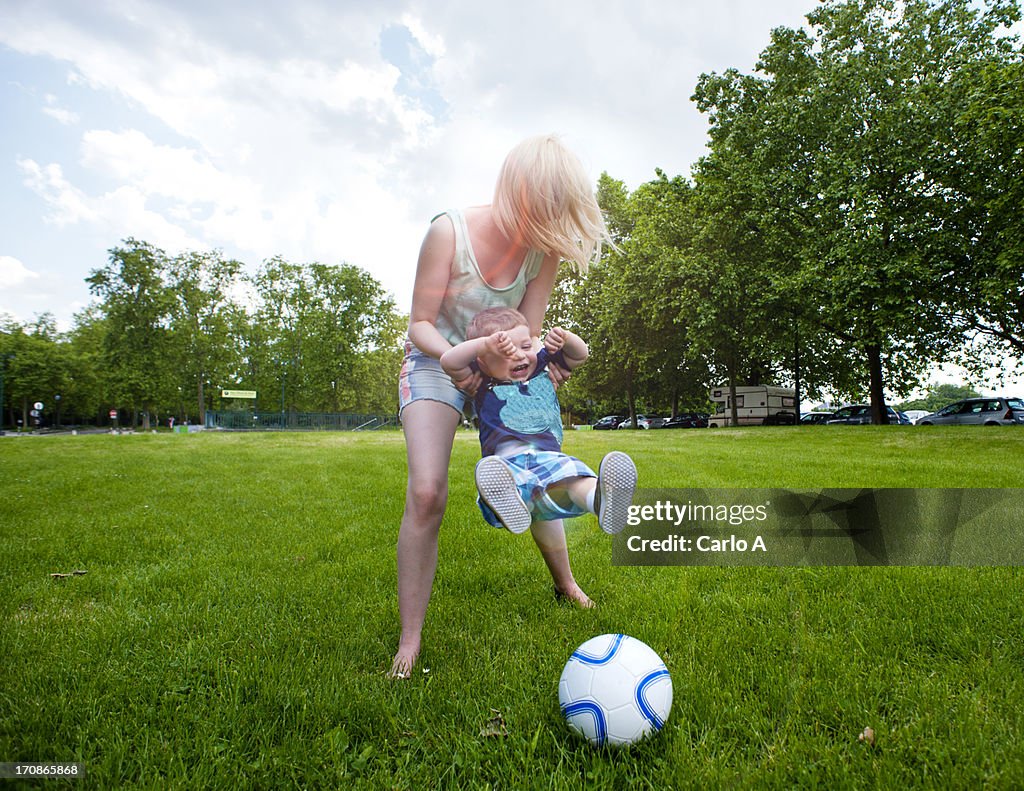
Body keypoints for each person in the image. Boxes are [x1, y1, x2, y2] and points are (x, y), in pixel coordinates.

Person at [392, 134, 610, 679]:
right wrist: (463, 362)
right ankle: (410, 640)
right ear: (520, 191)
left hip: (500, 370)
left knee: (534, 467)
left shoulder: (545, 248)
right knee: (426, 491)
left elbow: (529, 330)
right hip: (435, 358)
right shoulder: (449, 231)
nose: (551, 228)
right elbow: (419, 323)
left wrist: (541, 361)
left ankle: (564, 583)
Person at [440, 306, 638, 541]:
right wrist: (484, 344)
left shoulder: (541, 367)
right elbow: (449, 361)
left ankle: (601, 500)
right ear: (483, 363)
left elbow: (580, 355)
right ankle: (513, 503)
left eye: (525, 346)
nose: (520, 356)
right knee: (500, 480)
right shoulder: (483, 381)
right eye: (505, 352)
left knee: (575, 478)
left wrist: (565, 337)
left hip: (549, 458)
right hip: (506, 464)